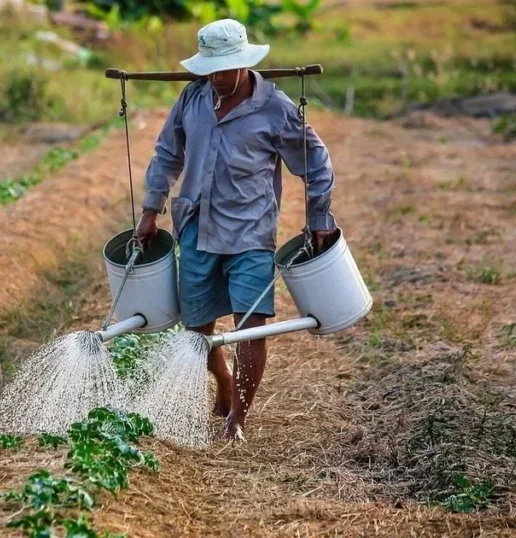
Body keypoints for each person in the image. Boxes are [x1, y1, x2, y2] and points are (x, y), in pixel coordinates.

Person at [134, 19, 337, 440]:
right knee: (197, 329)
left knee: (251, 325)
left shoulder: (275, 109)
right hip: (196, 227)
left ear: (244, 64)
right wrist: (150, 210)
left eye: (225, 70)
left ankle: (237, 420)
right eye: (211, 69)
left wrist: (319, 218)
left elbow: (316, 164)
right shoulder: (192, 98)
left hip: (251, 232)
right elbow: (166, 154)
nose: (218, 78)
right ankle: (223, 382)